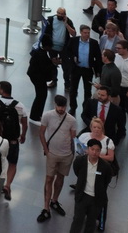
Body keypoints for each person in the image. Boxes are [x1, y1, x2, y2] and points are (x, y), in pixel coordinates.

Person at [37, 94, 77, 222]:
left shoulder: (71, 120)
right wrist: (46, 150)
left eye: (63, 106)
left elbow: (73, 138)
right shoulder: (47, 115)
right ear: (55, 105)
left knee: (60, 178)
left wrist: (72, 152)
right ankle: (46, 208)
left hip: (66, 155)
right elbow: (41, 133)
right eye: (59, 106)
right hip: (52, 154)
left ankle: (54, 201)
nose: (61, 109)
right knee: (49, 179)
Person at [0, 81, 27, 201]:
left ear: (1, 90)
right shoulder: (20, 106)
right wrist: (23, 135)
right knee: (12, 163)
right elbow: (24, 123)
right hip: (13, 140)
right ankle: (7, 185)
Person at [68, 139, 117, 233]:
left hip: (96, 199)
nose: (94, 152)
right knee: (77, 220)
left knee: (91, 223)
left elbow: (107, 180)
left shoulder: (105, 166)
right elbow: (77, 171)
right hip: (82, 196)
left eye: (97, 150)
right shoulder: (80, 161)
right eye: (92, 149)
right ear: (88, 149)